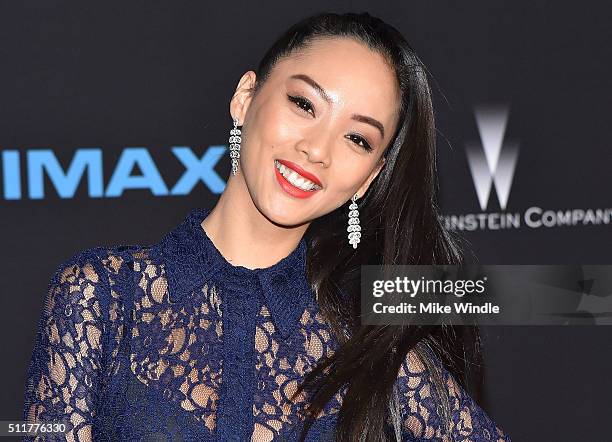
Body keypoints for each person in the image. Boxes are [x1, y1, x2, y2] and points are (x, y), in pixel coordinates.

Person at [22, 11, 511, 442]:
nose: (317, 149)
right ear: (245, 97)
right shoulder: (103, 296)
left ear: (369, 177)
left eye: (358, 139)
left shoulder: (367, 351)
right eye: (304, 105)